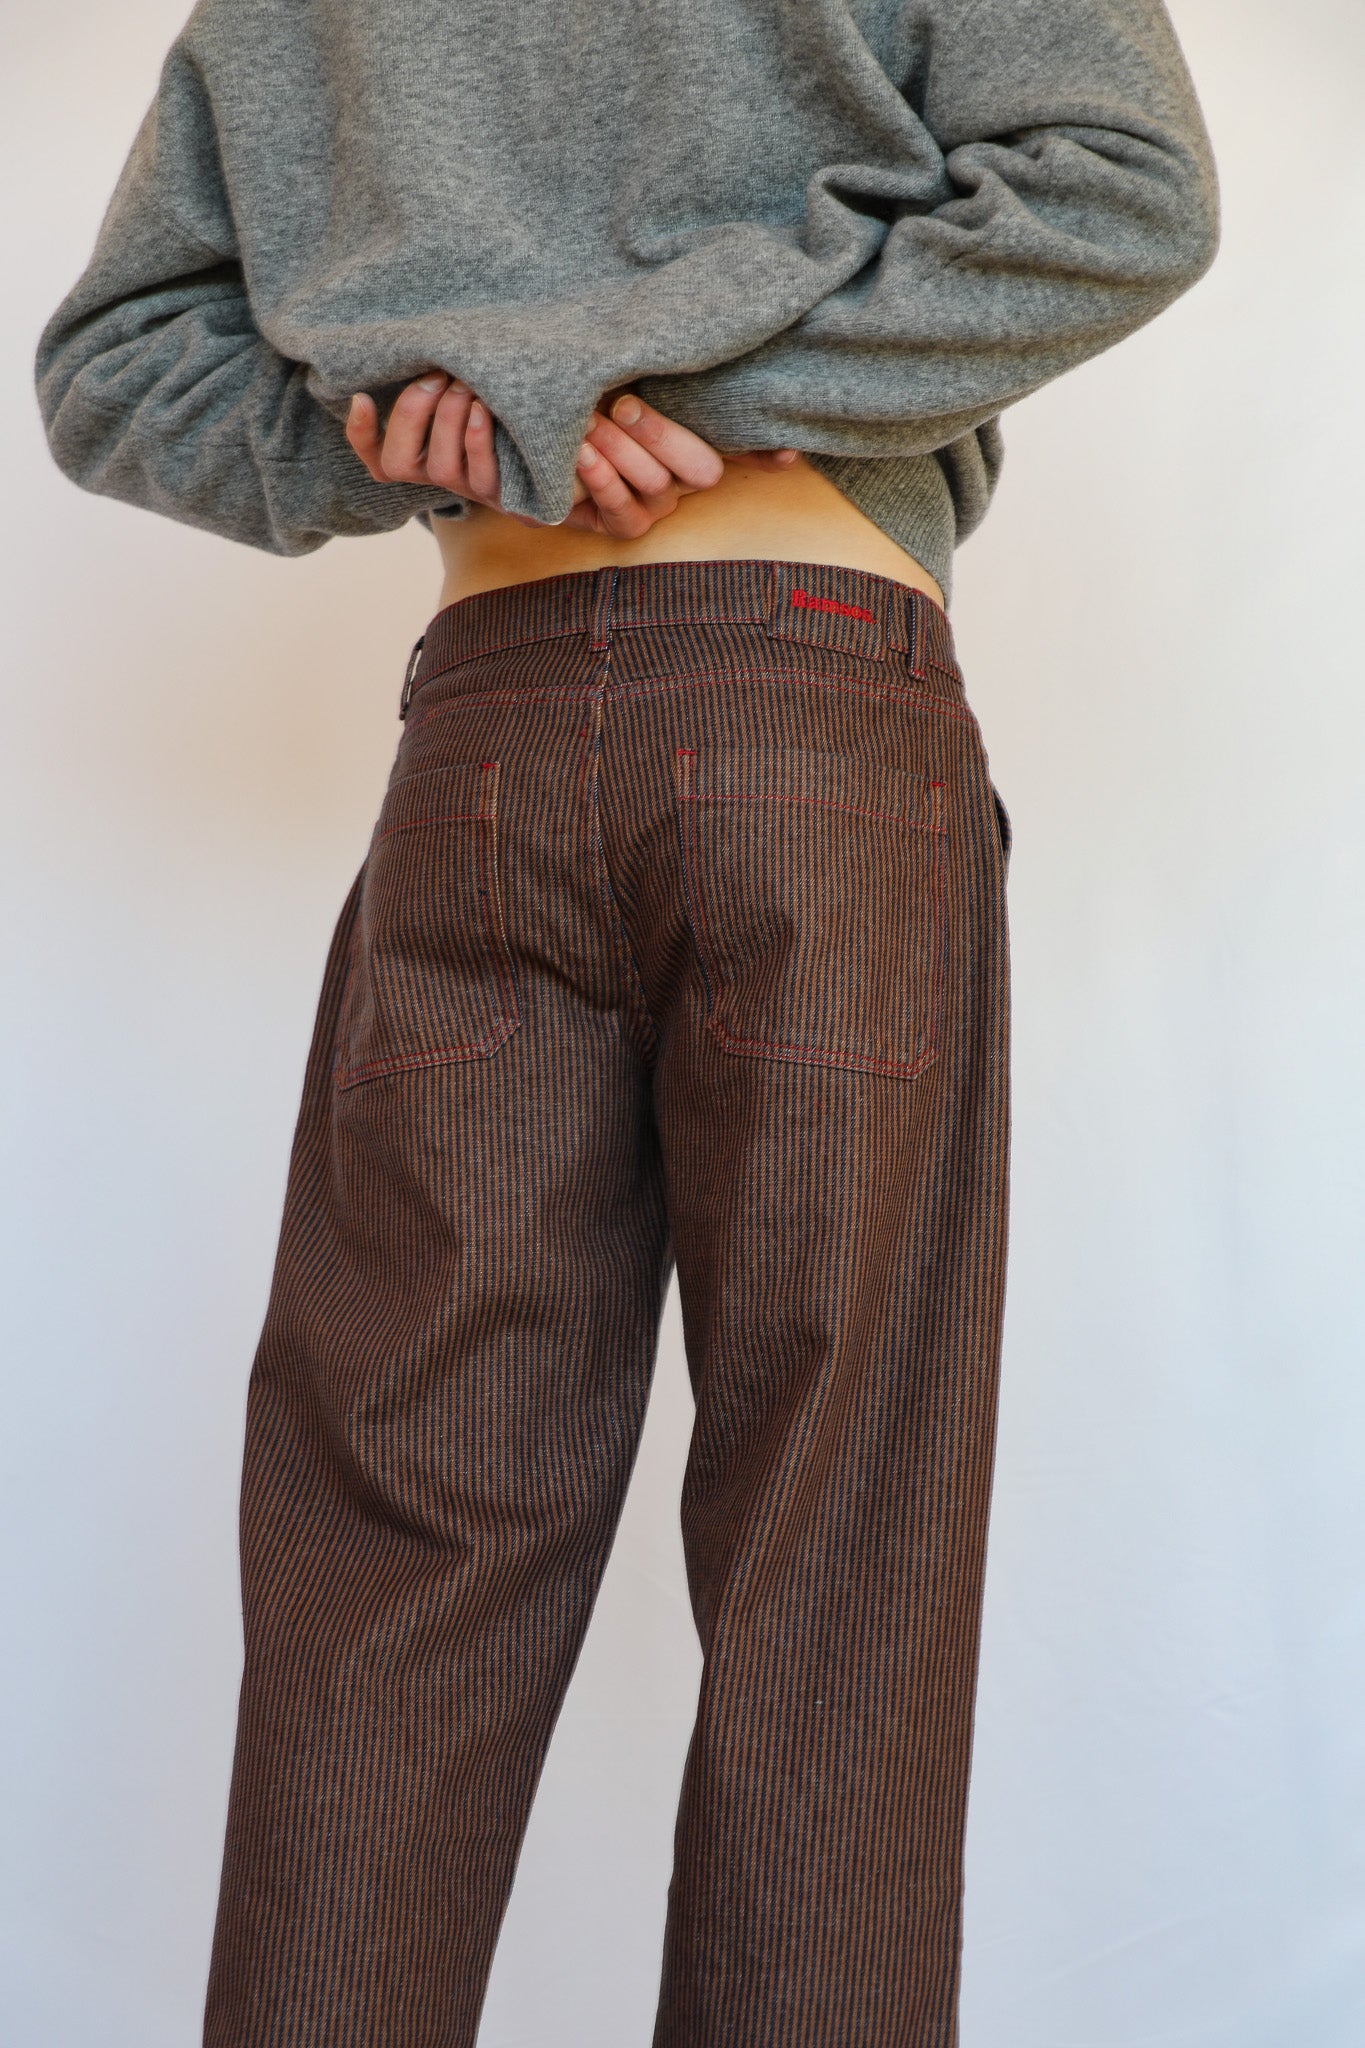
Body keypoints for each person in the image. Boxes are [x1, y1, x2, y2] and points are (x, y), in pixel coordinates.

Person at [35, 3, 1219, 2044]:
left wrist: (498, 417)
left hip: (486, 741)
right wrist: (700, 401)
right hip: (810, 706)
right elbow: (1123, 188)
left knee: (393, 1561)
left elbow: (118, 361)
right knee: (834, 1552)